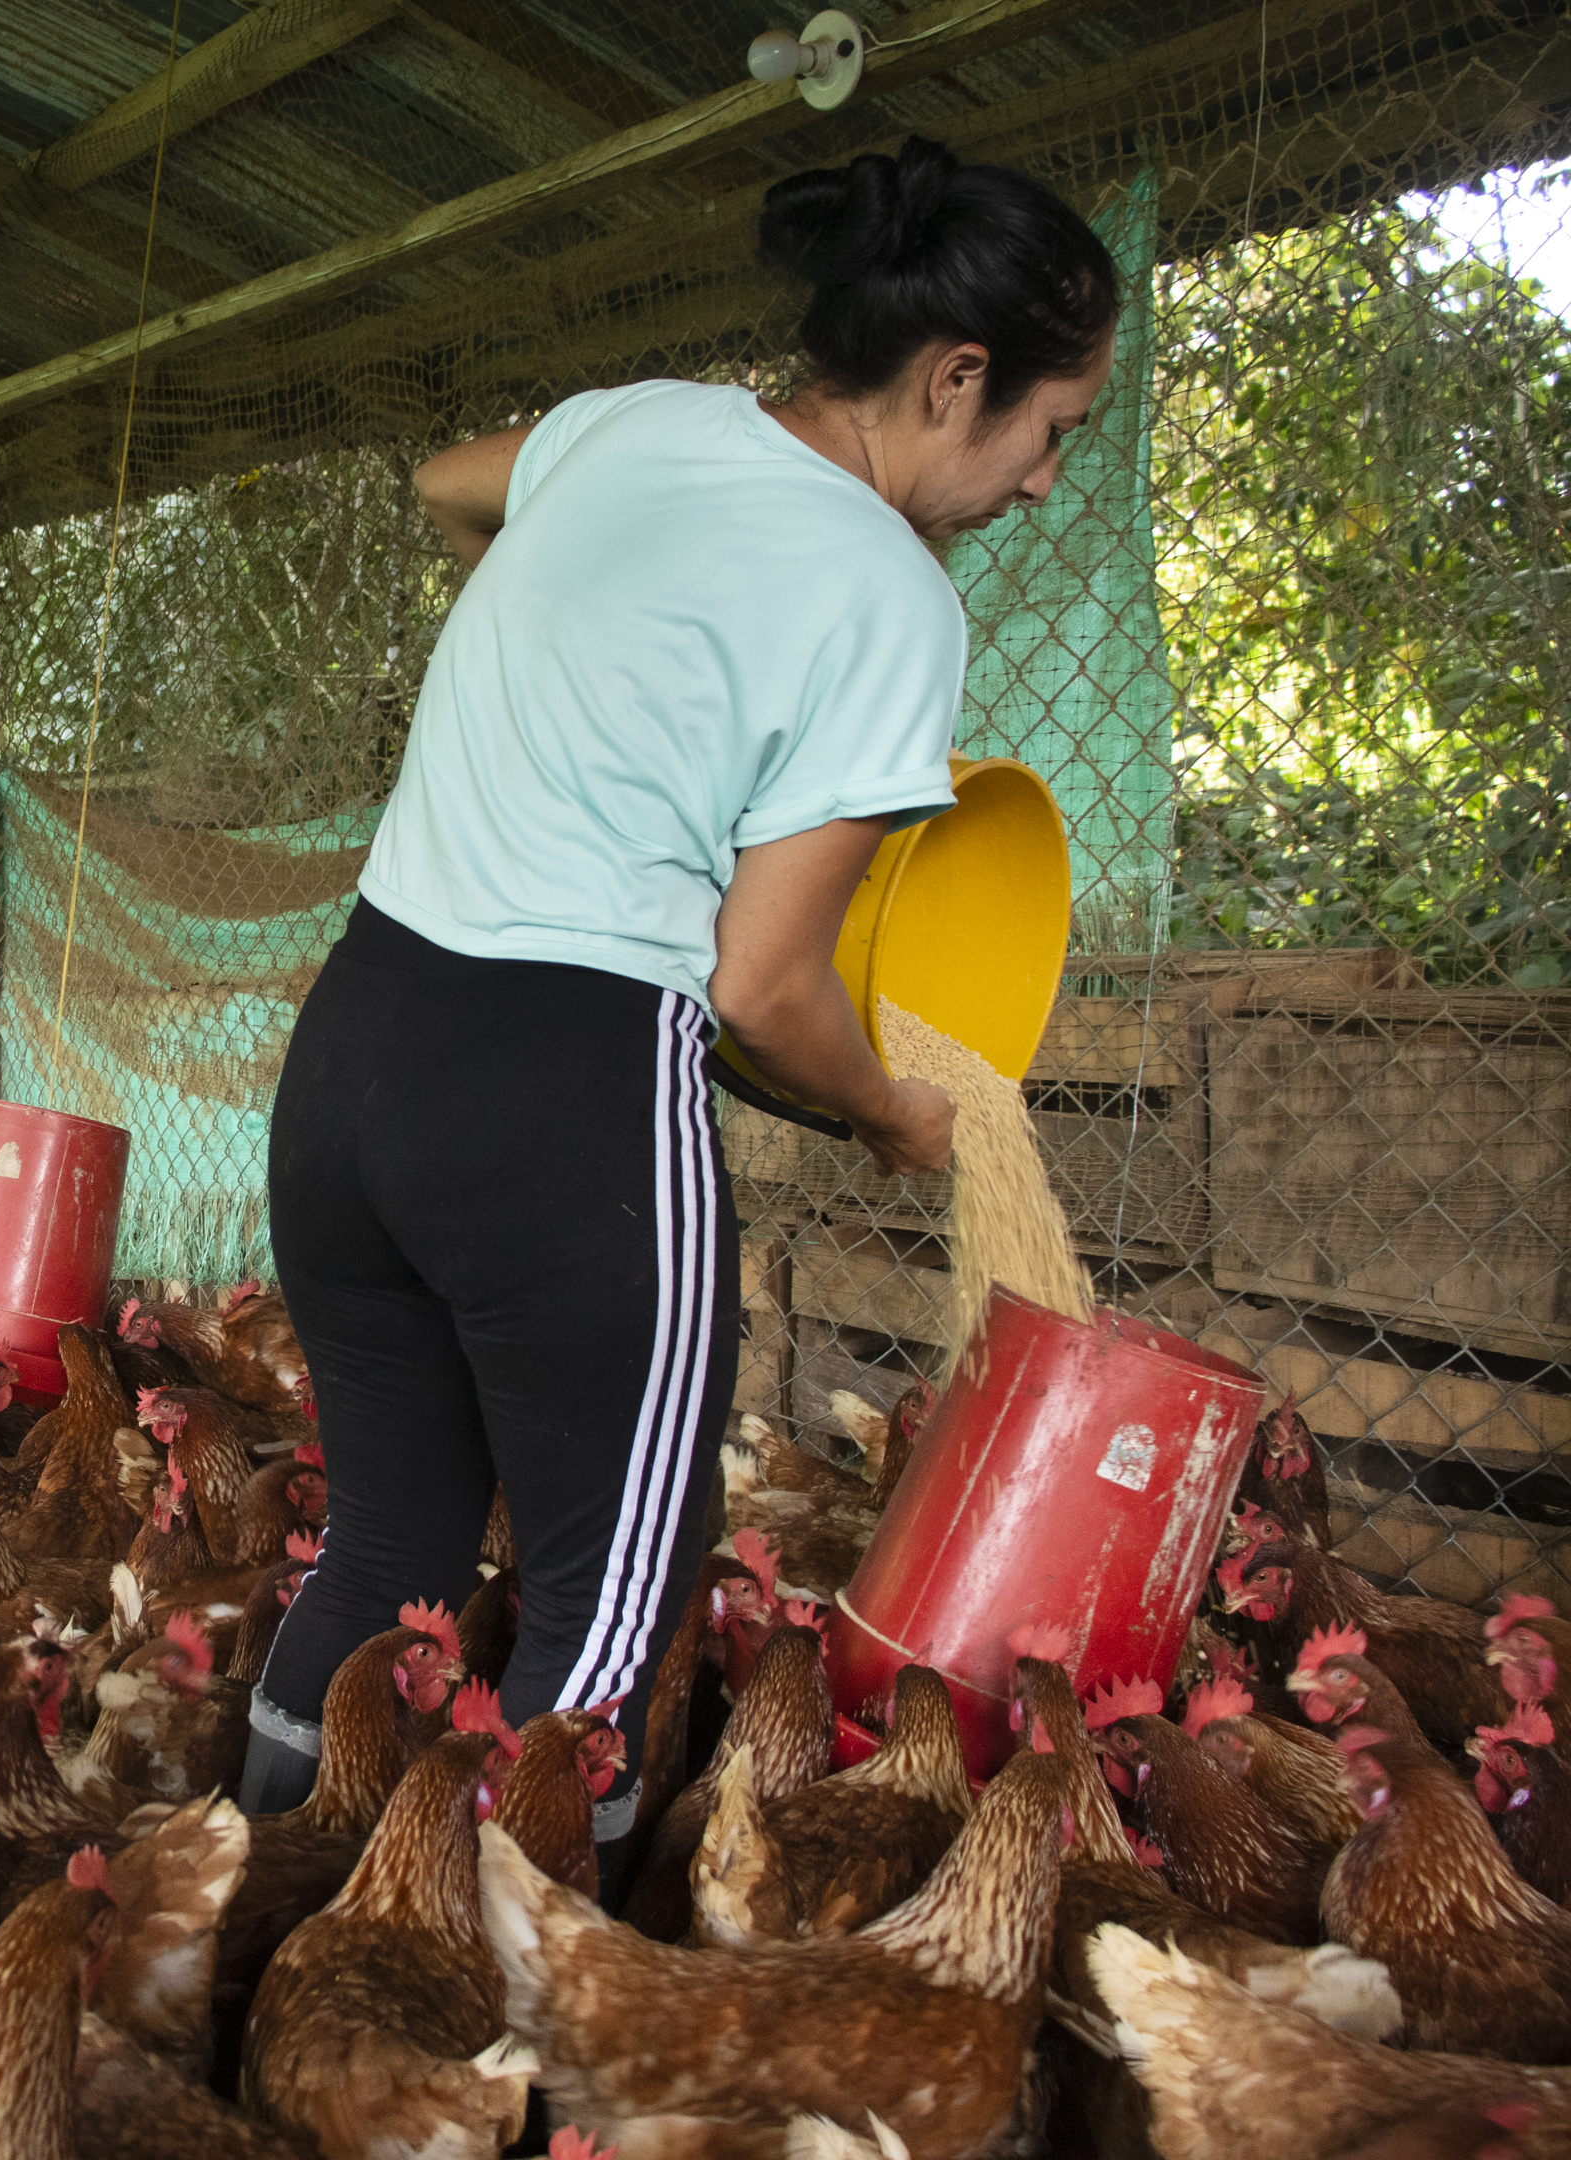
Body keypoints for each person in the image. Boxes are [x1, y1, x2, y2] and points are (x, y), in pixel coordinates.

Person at [241, 137, 1119, 1889]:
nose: (1039, 484)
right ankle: (503, 1999)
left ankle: (257, 1913)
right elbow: (769, 986)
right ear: (958, 379)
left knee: (387, 1545)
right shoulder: (887, 598)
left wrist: (583, 621)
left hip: (349, 1059)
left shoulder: (638, 424)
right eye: (1051, 430)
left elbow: (443, 481)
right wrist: (892, 1113)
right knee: (609, 1614)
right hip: (559, 1102)